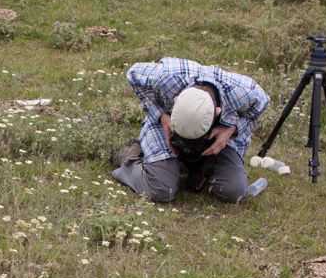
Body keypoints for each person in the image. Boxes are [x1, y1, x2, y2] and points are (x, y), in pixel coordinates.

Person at [111, 58, 270, 203]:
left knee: (235, 192)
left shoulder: (246, 93)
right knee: (162, 190)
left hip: (221, 134)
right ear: (176, 101)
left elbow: (260, 108)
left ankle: (191, 168)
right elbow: (132, 74)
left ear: (218, 112)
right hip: (164, 126)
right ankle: (131, 156)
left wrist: (232, 129)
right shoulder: (166, 78)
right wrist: (161, 116)